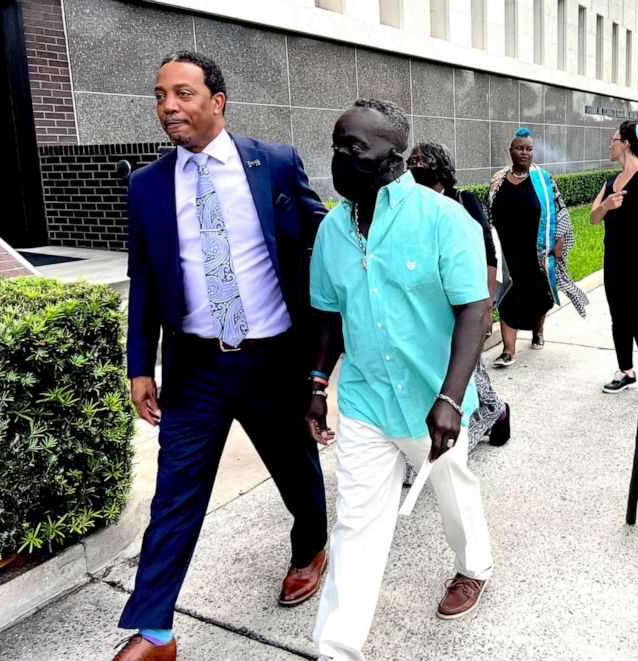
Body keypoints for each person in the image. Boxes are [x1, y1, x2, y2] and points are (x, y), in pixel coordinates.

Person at [114, 51, 328, 661]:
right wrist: (139, 365)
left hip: (271, 360)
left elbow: (324, 241)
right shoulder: (148, 185)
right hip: (197, 369)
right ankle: (154, 631)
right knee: (175, 494)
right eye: (159, 96)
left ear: (218, 101)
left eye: (182, 94)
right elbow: (146, 279)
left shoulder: (276, 164)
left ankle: (311, 544)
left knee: (295, 471)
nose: (168, 107)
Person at [306, 99, 494, 661]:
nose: (341, 157)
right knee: (355, 525)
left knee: (452, 489)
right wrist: (317, 384)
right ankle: (336, 648)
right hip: (365, 400)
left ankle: (473, 567)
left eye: (355, 147)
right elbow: (327, 314)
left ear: (395, 157)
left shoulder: (443, 219)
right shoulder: (333, 230)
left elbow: (474, 310)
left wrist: (450, 398)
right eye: (338, 144)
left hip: (430, 400)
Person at [405, 141, 511, 471]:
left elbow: (487, 252)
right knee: (454, 367)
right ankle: (494, 410)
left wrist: (486, 303)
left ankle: (483, 418)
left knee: (462, 366)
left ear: (440, 165)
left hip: (464, 300)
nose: (413, 164)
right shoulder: (408, 206)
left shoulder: (461, 201)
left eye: (421, 160)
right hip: (427, 301)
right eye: (410, 159)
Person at [487, 127, 588, 367]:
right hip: (506, 251)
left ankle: (538, 331)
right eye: (520, 148)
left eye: (529, 149)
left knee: (538, 295)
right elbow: (488, 213)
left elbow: (560, 211)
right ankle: (508, 350)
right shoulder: (497, 180)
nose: (524, 153)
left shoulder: (544, 180)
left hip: (537, 250)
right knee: (506, 296)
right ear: (510, 151)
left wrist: (560, 241)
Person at [590, 121, 638, 397]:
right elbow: (592, 217)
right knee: (618, 319)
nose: (609, 145)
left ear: (625, 143)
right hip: (614, 265)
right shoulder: (611, 182)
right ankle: (626, 372)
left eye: (613, 139)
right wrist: (607, 204)